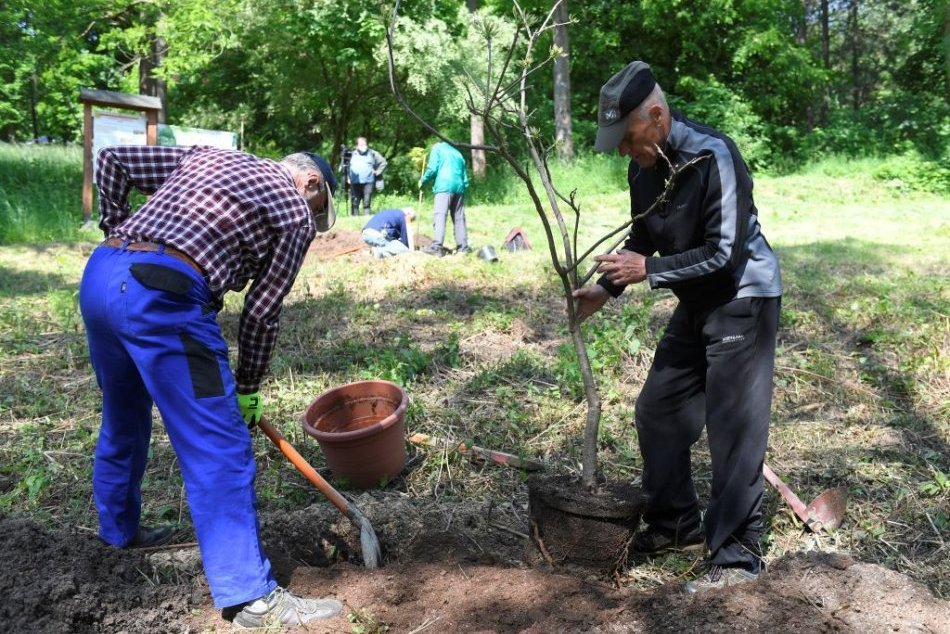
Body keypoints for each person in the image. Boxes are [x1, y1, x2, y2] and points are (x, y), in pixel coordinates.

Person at [79, 145, 344, 628]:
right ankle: (251, 598)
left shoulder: (210, 157)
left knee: (123, 418)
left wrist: (117, 229)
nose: (313, 219)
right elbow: (262, 312)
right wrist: (246, 387)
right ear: (310, 184)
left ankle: (118, 535)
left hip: (101, 278)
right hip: (166, 300)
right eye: (319, 206)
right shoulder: (294, 213)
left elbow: (112, 160)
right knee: (219, 444)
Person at [572, 61, 783, 593]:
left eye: (626, 138)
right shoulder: (643, 168)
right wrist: (606, 289)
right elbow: (643, 238)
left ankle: (737, 557)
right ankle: (675, 524)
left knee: (732, 426)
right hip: (694, 302)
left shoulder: (715, 156)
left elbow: (724, 252)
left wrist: (650, 272)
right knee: (659, 410)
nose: (622, 150)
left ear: (658, 117)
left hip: (742, 297)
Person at [418, 141, 470, 256]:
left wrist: (422, 180)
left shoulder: (437, 149)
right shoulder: (458, 153)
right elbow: (465, 179)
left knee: (440, 215)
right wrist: (461, 188)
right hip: (459, 187)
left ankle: (437, 247)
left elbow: (432, 169)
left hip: (444, 186)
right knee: (459, 218)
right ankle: (463, 248)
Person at [347, 136, 387, 216]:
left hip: (368, 181)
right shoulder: (351, 154)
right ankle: (354, 218)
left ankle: (366, 217)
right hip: (354, 182)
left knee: (367, 200)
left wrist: (377, 172)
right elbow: (347, 166)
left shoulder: (372, 153)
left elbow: (383, 162)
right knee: (355, 201)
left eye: (364, 144)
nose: (363, 146)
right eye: (361, 145)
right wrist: (348, 176)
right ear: (357, 146)